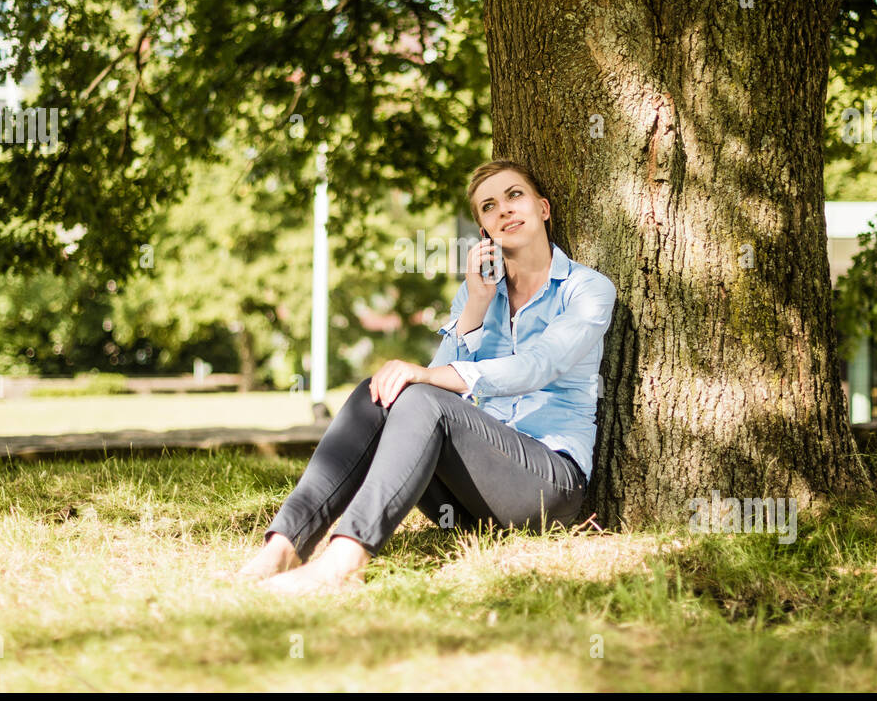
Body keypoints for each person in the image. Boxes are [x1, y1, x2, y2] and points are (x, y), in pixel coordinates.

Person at [236, 159, 618, 594]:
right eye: (489, 206)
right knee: (381, 393)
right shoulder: (478, 290)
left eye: (515, 196)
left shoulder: (586, 289)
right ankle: (284, 545)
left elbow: (537, 365)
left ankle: (345, 561)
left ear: (543, 208)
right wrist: (475, 304)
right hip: (466, 501)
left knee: (418, 393)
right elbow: (430, 385)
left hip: (545, 487)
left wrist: (424, 376)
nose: (505, 210)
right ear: (484, 230)